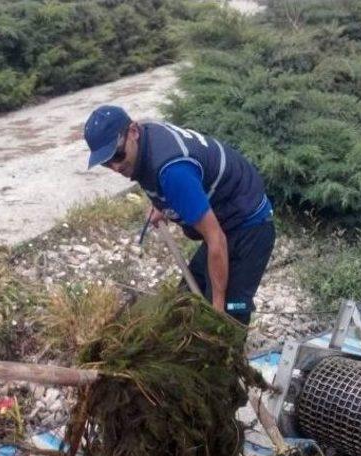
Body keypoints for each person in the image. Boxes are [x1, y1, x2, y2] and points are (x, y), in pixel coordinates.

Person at [84, 106, 275, 325]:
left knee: (230, 312)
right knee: (185, 301)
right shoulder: (146, 140)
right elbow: (162, 175)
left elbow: (216, 239)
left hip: (249, 226)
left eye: (117, 155)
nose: (116, 166)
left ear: (134, 131)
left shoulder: (173, 171)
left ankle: (236, 325)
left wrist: (219, 308)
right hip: (222, 218)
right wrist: (162, 203)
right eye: (106, 163)